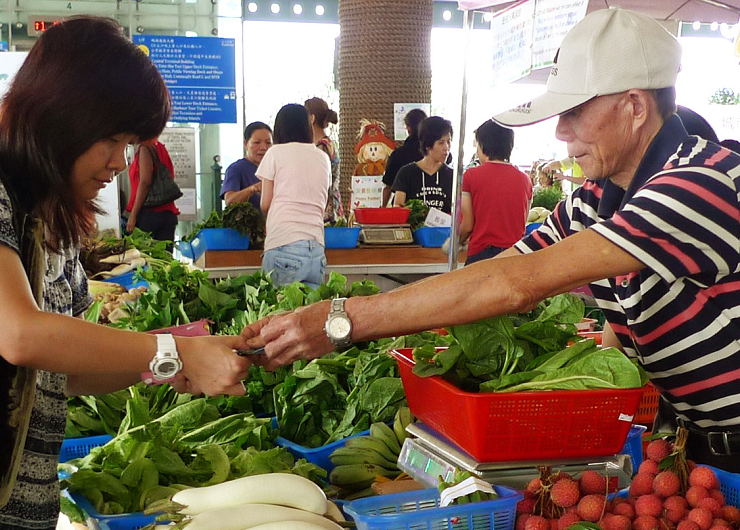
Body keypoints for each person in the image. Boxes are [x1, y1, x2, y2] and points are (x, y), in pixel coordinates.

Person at [244, 9, 740, 472]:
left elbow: (516, 283)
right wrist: (397, 330)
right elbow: (502, 266)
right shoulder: (595, 199)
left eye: (575, 112)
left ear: (633, 106)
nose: (561, 131)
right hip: (692, 445)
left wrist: (342, 320)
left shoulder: (699, 184)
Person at [0, 17, 251, 530]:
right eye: (111, 139)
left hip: (23, 518)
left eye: (130, 144)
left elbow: (70, 369)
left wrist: (182, 361)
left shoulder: (51, 213)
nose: (120, 163)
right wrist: (172, 350)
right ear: (59, 112)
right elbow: (19, 333)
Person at [256, 103, 330, 289]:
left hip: (283, 243)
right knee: (310, 315)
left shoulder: (275, 153)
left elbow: (265, 204)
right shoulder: (323, 157)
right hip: (316, 248)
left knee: (279, 314)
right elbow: (322, 200)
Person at [459, 119, 532, 265]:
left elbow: (467, 225)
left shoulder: (470, 176)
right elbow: (522, 221)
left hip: (481, 256)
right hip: (515, 256)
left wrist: (455, 242)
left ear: (483, 146)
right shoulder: (525, 180)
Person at [391, 116, 453, 215]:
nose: (446, 147)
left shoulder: (452, 176)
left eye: (448, 142)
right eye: (441, 143)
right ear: (427, 145)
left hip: (445, 230)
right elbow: (398, 208)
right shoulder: (406, 173)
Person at [125, 138, 179, 249]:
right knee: (165, 262)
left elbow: (145, 182)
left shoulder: (145, 148)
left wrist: (133, 216)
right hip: (168, 215)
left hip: (148, 215)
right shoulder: (160, 147)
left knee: (144, 260)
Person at [304, 97, 344, 223]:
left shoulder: (321, 146)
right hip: (332, 202)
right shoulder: (328, 143)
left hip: (325, 206)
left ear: (312, 118)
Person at [221, 121, 272, 211]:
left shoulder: (275, 168)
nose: (263, 147)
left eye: (268, 143)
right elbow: (230, 201)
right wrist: (253, 189)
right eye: (257, 142)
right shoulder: (236, 169)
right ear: (246, 144)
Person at [381, 108, 426, 206]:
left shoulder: (398, 154)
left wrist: (383, 207)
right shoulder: (431, 153)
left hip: (403, 207)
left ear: (408, 128)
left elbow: (388, 186)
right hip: (431, 206)